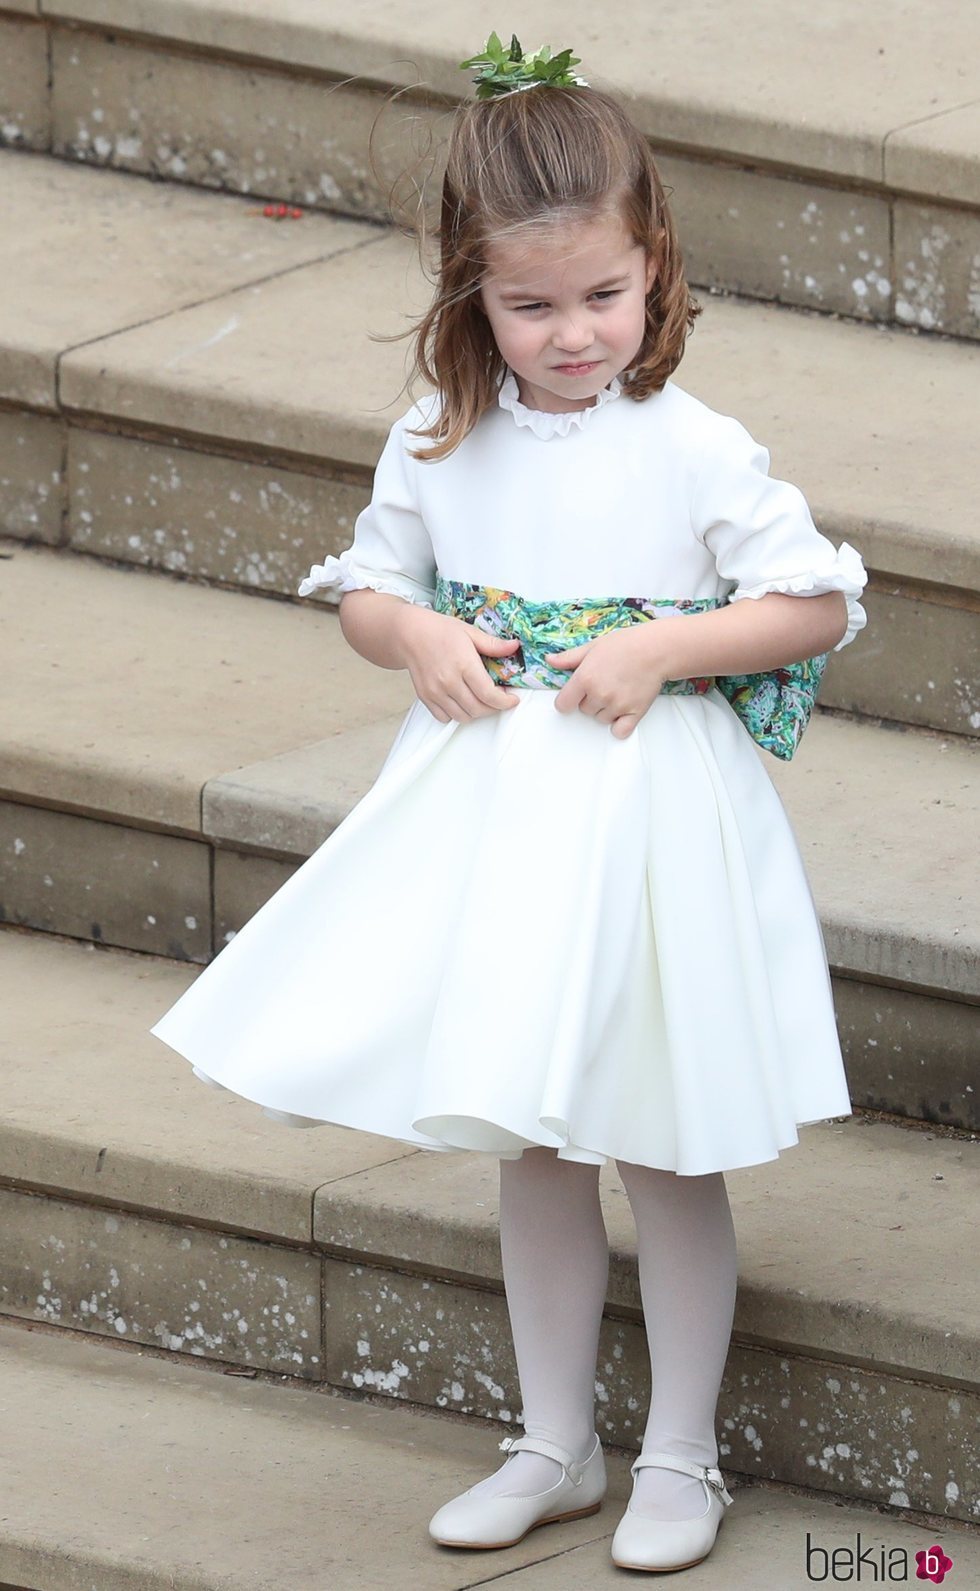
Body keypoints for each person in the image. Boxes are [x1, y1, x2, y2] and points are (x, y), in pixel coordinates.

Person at [149, 33, 868, 1575]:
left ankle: (682, 1454)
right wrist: (411, 635)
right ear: (469, 292)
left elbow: (813, 605)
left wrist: (671, 644)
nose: (571, 334)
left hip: (648, 825)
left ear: (654, 267)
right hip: (500, 827)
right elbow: (371, 586)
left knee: (665, 1142)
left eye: (602, 297)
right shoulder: (438, 442)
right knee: (531, 1143)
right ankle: (554, 1440)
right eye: (530, 304)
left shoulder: (695, 450)